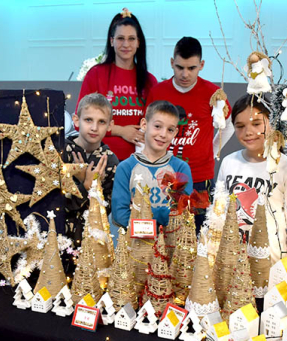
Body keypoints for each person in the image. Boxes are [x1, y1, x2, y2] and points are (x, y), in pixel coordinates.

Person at [145, 37, 234, 229]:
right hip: (164, 175)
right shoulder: (157, 92)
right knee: (164, 229)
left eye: (191, 68)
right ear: (172, 63)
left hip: (200, 178)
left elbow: (229, 124)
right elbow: (147, 128)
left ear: (201, 65)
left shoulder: (213, 93)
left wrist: (212, 150)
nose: (185, 74)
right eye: (179, 67)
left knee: (199, 230)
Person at [217, 94, 287, 265]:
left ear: (272, 122)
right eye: (240, 126)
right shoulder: (228, 162)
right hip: (229, 260)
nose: (248, 132)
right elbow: (217, 212)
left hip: (270, 264)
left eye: (256, 124)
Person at [77, 7, 158, 161]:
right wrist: (121, 131)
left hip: (138, 162)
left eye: (131, 39)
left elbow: (155, 125)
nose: (126, 44)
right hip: (99, 161)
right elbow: (80, 121)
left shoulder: (149, 81)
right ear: (112, 41)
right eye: (120, 38)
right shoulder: (96, 74)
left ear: (138, 42)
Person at [112, 100, 193, 228]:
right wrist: (164, 214)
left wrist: (140, 212)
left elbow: (182, 212)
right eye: (157, 126)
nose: (163, 134)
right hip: (134, 240)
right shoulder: (125, 168)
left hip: (171, 239)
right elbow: (120, 215)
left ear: (175, 133)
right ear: (144, 124)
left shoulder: (181, 168)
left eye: (170, 130)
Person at [62, 93, 119, 247]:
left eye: (101, 122)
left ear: (110, 125)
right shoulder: (61, 152)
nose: (94, 128)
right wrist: (85, 186)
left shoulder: (110, 162)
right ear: (76, 120)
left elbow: (104, 213)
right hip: (59, 240)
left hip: (93, 244)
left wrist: (93, 186)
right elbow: (58, 205)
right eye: (88, 120)